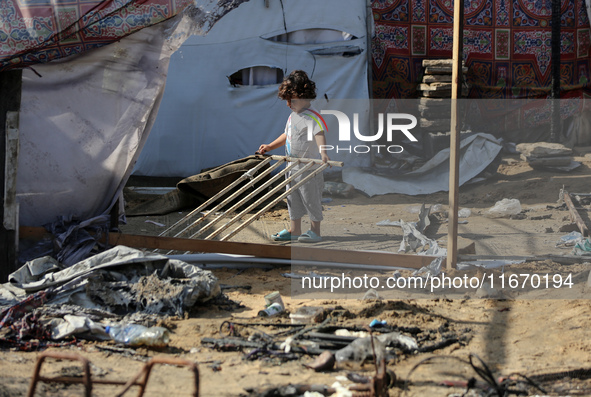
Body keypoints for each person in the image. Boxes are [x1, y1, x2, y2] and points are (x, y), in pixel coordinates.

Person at [258, 70, 330, 243]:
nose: (288, 104)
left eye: (292, 100)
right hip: (292, 168)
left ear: (304, 96)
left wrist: (323, 153)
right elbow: (286, 135)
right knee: (292, 200)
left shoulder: (313, 117)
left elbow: (319, 134)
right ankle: (295, 230)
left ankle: (315, 231)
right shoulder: (292, 116)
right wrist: (270, 146)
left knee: (311, 199)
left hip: (309, 169)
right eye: (287, 100)